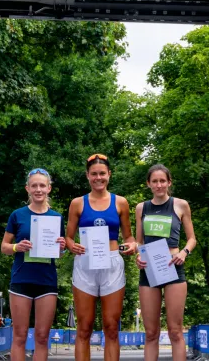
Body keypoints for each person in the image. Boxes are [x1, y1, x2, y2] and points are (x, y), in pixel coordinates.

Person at [65, 154, 137, 361]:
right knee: (84, 327)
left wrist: (131, 246)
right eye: (94, 174)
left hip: (112, 263)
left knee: (111, 326)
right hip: (85, 264)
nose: (98, 178)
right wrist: (72, 245)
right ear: (87, 176)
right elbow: (68, 238)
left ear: (109, 175)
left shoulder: (120, 202)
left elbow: (129, 236)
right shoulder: (77, 203)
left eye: (102, 174)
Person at [0, 167, 67, 361]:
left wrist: (61, 247)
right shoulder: (17, 215)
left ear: (49, 189)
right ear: (27, 189)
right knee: (19, 336)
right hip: (21, 279)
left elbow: (59, 253)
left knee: (42, 337)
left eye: (42, 186)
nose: (38, 189)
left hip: (47, 281)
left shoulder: (57, 217)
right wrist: (16, 247)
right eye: (34, 186)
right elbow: (4, 247)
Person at [134, 164, 196, 361]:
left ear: (169, 182)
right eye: (155, 181)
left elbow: (192, 238)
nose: (159, 185)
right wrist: (138, 255)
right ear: (148, 184)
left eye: (163, 181)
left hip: (173, 268)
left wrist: (185, 252)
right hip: (149, 270)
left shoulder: (181, 205)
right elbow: (138, 242)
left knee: (175, 331)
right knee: (151, 333)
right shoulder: (141, 208)